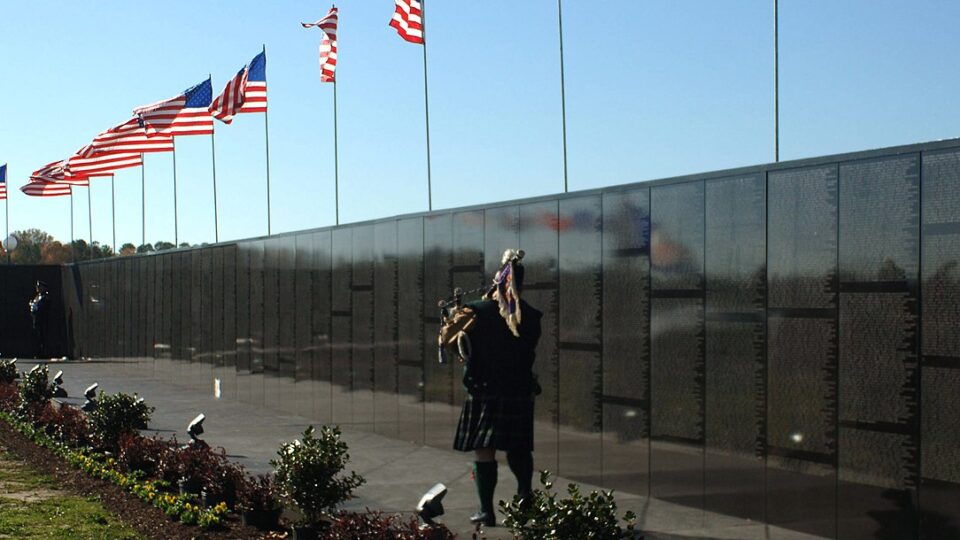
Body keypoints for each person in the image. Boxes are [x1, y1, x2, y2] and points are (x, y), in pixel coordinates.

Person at [453, 250, 542, 527]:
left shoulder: (476, 311)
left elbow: (456, 339)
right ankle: (525, 495)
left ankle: (486, 510)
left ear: (498, 278)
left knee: (484, 450)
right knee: (518, 447)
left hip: (485, 391)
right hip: (518, 390)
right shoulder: (531, 316)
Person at [29, 280, 50, 358]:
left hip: (43, 320)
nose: (37, 288)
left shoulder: (45, 297)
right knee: (37, 337)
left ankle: (43, 353)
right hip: (36, 320)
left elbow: (42, 308)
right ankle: (38, 352)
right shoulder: (37, 297)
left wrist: (35, 307)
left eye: (39, 286)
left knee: (43, 337)